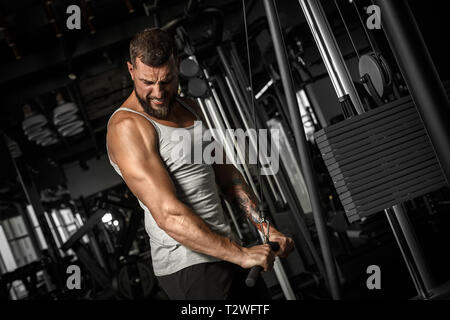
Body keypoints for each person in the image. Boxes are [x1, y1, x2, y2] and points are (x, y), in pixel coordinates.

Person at [106, 28, 294, 300]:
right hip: (189, 266)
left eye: (167, 80)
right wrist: (239, 254)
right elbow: (168, 215)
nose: (158, 92)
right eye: (148, 82)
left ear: (178, 66)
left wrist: (265, 228)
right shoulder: (127, 126)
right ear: (131, 70)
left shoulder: (191, 108)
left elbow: (228, 177)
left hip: (227, 251)